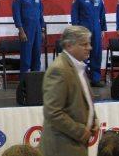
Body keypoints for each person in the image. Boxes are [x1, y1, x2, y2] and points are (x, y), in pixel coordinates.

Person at [41, 26, 98, 156]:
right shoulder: (59, 70)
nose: (89, 47)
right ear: (68, 45)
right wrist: (81, 132)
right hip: (62, 147)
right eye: (84, 44)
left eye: (89, 43)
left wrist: (94, 120)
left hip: (74, 144)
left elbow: (86, 101)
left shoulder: (78, 66)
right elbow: (53, 112)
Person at [71, 0, 107, 87]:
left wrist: (103, 29)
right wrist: (76, 30)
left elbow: (102, 15)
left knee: (96, 53)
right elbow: (74, 15)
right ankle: (82, 80)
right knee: (83, 54)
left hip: (96, 30)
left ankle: (95, 79)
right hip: (83, 30)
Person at [12, 0, 46, 74]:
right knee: (26, 59)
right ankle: (24, 84)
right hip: (26, 30)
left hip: (37, 30)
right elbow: (16, 15)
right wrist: (21, 31)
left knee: (37, 57)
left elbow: (41, 15)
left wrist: (42, 30)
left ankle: (35, 84)